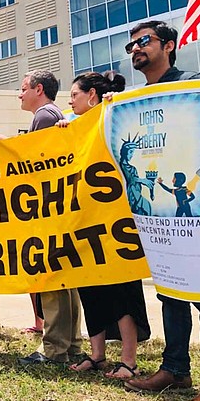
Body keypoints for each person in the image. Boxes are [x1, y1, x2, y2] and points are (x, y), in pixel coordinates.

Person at [121, 21, 200, 401]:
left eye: (144, 41)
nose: (135, 48)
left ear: (169, 45)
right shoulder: (135, 102)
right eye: (131, 44)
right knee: (170, 293)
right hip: (159, 218)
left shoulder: (191, 83)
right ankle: (174, 368)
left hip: (195, 219)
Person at [57, 71, 151, 379]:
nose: (70, 100)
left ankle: (129, 360)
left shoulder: (114, 116)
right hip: (85, 221)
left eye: (75, 94)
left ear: (93, 96)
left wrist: (116, 104)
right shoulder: (73, 125)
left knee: (122, 291)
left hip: (115, 222)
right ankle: (97, 355)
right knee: (91, 289)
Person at [0, 70, 83, 367]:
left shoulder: (44, 115)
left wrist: (3, 143)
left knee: (51, 279)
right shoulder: (55, 113)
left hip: (49, 209)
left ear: (38, 89)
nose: (19, 94)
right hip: (63, 208)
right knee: (67, 280)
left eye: (23, 88)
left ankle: (54, 347)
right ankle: (71, 344)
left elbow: (35, 160)